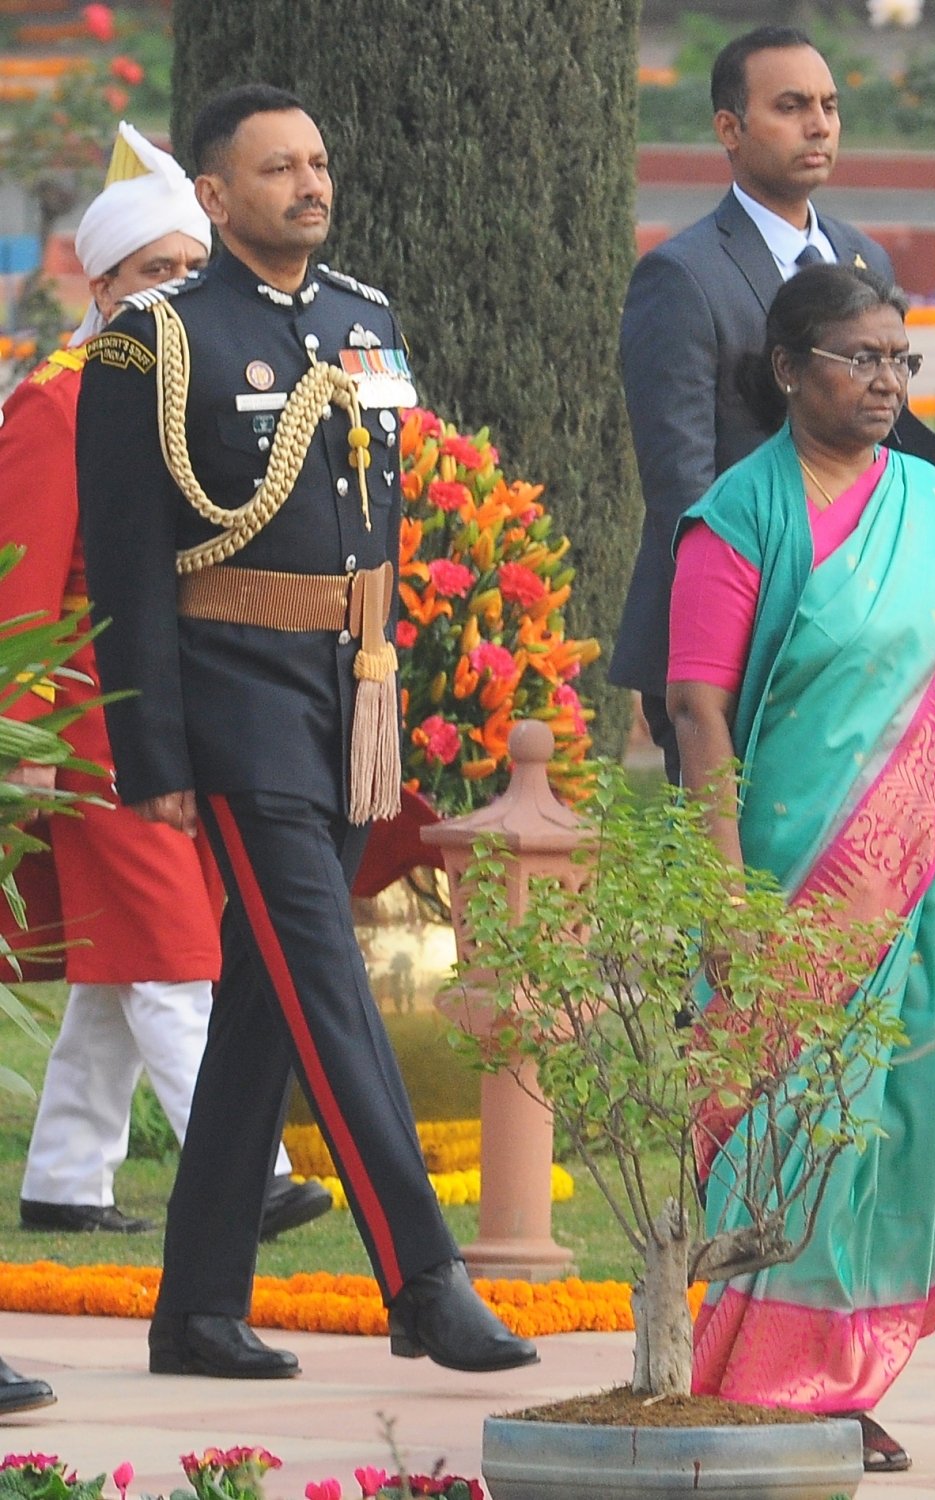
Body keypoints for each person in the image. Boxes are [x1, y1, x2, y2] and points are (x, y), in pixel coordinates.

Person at [76, 84, 536, 1380]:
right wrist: (151, 754)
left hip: (352, 695)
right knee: (323, 969)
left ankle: (199, 1310)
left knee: (264, 1005)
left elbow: (386, 522)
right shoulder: (152, 346)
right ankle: (425, 1277)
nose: (309, 183)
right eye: (277, 168)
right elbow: (125, 565)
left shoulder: (363, 321)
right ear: (214, 199)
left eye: (318, 162)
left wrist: (413, 693)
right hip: (233, 695)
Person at [613, 22, 935, 1259]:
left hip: (883, 657)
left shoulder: (855, 257)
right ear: (730, 130)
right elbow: (680, 473)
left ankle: (918, 1166)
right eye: (792, 106)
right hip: (748, 649)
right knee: (767, 933)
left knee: (917, 907)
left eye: (832, 105)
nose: (821, 125)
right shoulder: (682, 277)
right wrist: (794, 595)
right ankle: (761, 1197)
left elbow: (893, 453)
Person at [667, 264, 935, 1470]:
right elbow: (697, 712)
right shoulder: (737, 517)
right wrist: (731, 898)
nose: (888, 380)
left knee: (933, 1122)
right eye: (860, 357)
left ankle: (848, 1365)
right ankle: (785, 1386)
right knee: (800, 1136)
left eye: (902, 359)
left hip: (924, 885)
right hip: (790, 883)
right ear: (790, 370)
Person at [0, 122, 330, 1243]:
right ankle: (253, 1173)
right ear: (100, 282)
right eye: (155, 273)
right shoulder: (56, 402)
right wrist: (25, 734)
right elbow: (22, 589)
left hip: (179, 710)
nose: (177, 290)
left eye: (192, 270)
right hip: (94, 724)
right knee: (180, 952)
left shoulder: (177, 384)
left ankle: (65, 1179)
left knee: (123, 961)